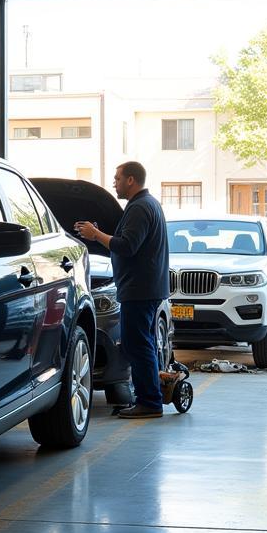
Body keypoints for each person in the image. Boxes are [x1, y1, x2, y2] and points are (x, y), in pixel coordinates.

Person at [74, 161, 169, 419]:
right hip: (145, 288)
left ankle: (149, 401)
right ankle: (150, 397)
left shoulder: (139, 208)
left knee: (136, 344)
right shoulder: (147, 205)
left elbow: (127, 246)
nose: (113, 182)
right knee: (143, 343)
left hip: (139, 289)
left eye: (117, 178)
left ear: (130, 180)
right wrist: (100, 233)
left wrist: (96, 235)